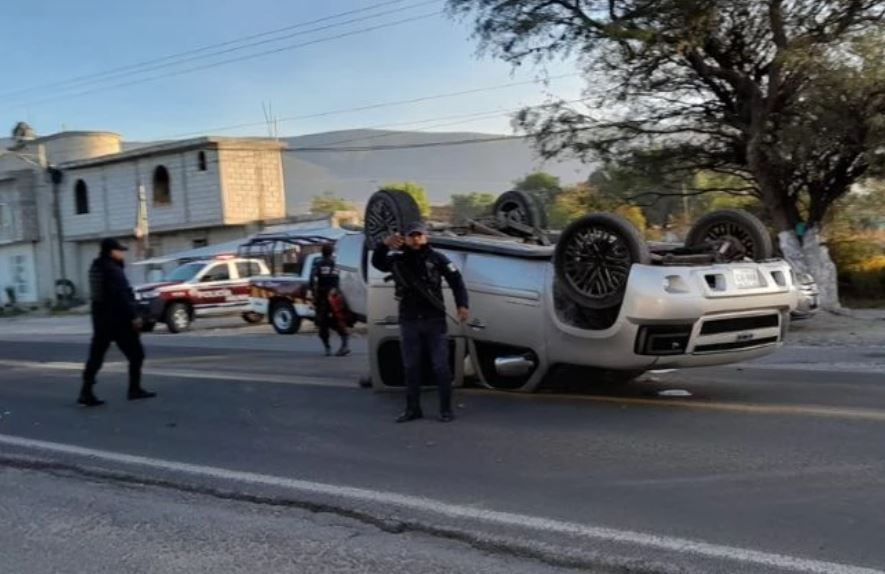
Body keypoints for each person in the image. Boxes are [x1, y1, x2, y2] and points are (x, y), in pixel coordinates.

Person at [372, 221, 469, 423]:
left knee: (440, 366)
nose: (416, 239)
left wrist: (462, 305)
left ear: (426, 237)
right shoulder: (397, 259)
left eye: (419, 235)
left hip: (434, 319)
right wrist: (384, 244)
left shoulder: (438, 258)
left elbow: (456, 281)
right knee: (411, 367)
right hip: (409, 320)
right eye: (411, 235)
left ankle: (445, 409)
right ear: (405, 238)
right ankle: (413, 409)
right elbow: (377, 262)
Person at [79, 238, 155, 406]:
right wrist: (134, 316)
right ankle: (134, 389)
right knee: (137, 354)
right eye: (120, 251)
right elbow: (122, 296)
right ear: (111, 251)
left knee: (96, 357)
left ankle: (86, 391)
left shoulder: (96, 267)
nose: (122, 254)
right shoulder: (112, 269)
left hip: (100, 320)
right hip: (118, 321)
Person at [310, 243, 350, 357]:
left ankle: (327, 347)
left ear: (322, 252)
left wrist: (314, 295)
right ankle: (345, 345)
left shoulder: (319, 264)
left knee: (322, 324)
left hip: (323, 298)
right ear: (332, 252)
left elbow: (312, 281)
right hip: (335, 297)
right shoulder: (336, 265)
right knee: (338, 320)